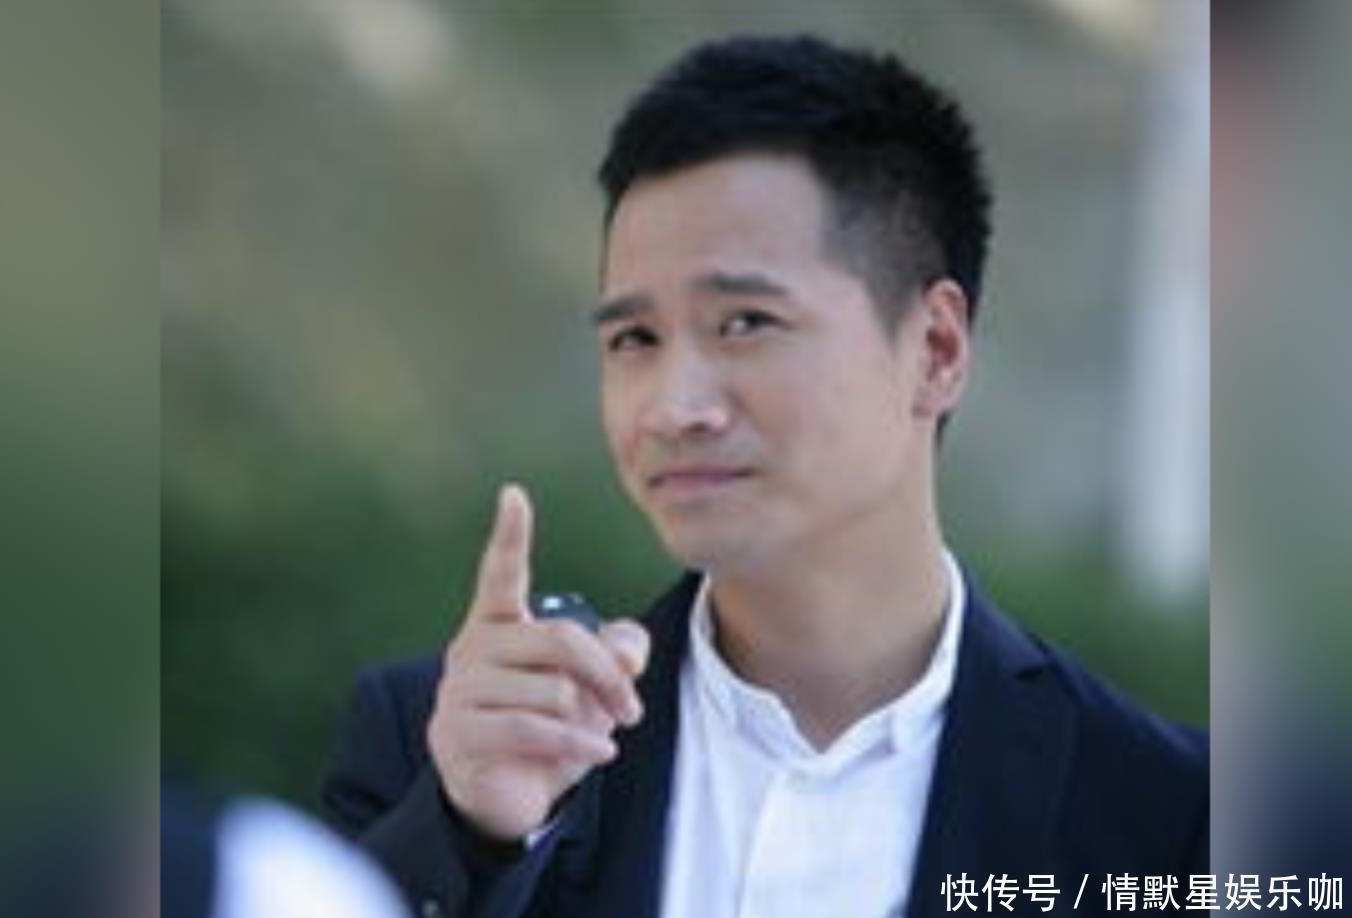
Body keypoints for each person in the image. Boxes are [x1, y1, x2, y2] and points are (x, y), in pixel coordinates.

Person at [322, 34, 1207, 917]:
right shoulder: (453, 749)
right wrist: (470, 840)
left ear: (935, 349)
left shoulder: (1174, 821)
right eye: (635, 338)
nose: (674, 407)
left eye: (745, 322)